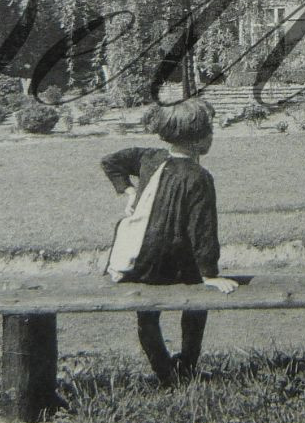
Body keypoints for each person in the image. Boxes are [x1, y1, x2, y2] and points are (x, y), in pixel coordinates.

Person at [101, 99, 236, 384]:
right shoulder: (199, 177)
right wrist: (209, 275)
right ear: (198, 140)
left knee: (147, 317)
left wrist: (127, 191)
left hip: (135, 264)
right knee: (198, 300)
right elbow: (203, 233)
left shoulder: (150, 157)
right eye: (209, 130)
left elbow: (111, 161)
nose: (213, 135)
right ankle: (186, 366)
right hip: (173, 266)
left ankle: (163, 371)